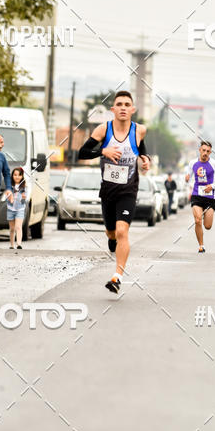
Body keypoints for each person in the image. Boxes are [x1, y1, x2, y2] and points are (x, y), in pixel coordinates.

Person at [77, 91, 150, 294]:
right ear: (113, 109)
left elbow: (141, 149)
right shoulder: (103, 129)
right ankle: (111, 239)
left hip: (128, 190)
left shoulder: (139, 130)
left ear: (133, 109)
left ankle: (117, 276)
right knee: (111, 232)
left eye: (127, 104)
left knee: (122, 231)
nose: (123, 107)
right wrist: (103, 151)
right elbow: (81, 153)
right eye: (119, 104)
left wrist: (146, 159)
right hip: (108, 190)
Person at [185, 141, 215, 253]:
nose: (205, 153)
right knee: (197, 220)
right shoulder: (193, 163)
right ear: (199, 150)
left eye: (208, 151)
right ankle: (201, 245)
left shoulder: (214, 164)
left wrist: (213, 186)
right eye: (203, 150)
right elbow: (188, 173)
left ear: (210, 152)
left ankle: (205, 215)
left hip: (209, 198)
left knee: (207, 226)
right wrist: (187, 177)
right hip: (196, 196)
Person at [7, 167, 26, 250]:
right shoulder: (10, 186)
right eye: (15, 175)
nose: (17, 177)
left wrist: (23, 198)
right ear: (12, 176)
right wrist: (9, 197)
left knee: (18, 227)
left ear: (22, 176)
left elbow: (24, 201)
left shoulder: (24, 187)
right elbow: (6, 196)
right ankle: (11, 244)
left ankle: (19, 244)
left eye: (19, 175)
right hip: (10, 209)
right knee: (12, 228)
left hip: (20, 209)